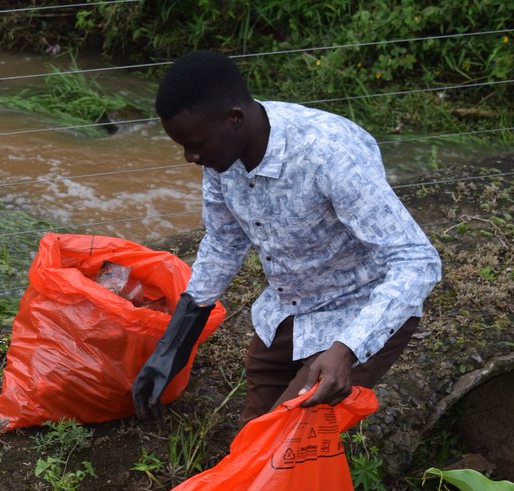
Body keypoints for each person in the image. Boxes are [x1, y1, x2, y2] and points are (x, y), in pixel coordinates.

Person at [133, 51, 441, 423]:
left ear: (234, 119)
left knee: (284, 442)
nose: (189, 156)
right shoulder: (221, 155)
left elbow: (417, 260)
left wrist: (347, 349)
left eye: (196, 144)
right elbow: (223, 241)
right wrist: (172, 347)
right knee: (251, 438)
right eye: (182, 145)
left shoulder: (328, 153)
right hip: (290, 305)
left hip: (360, 307)